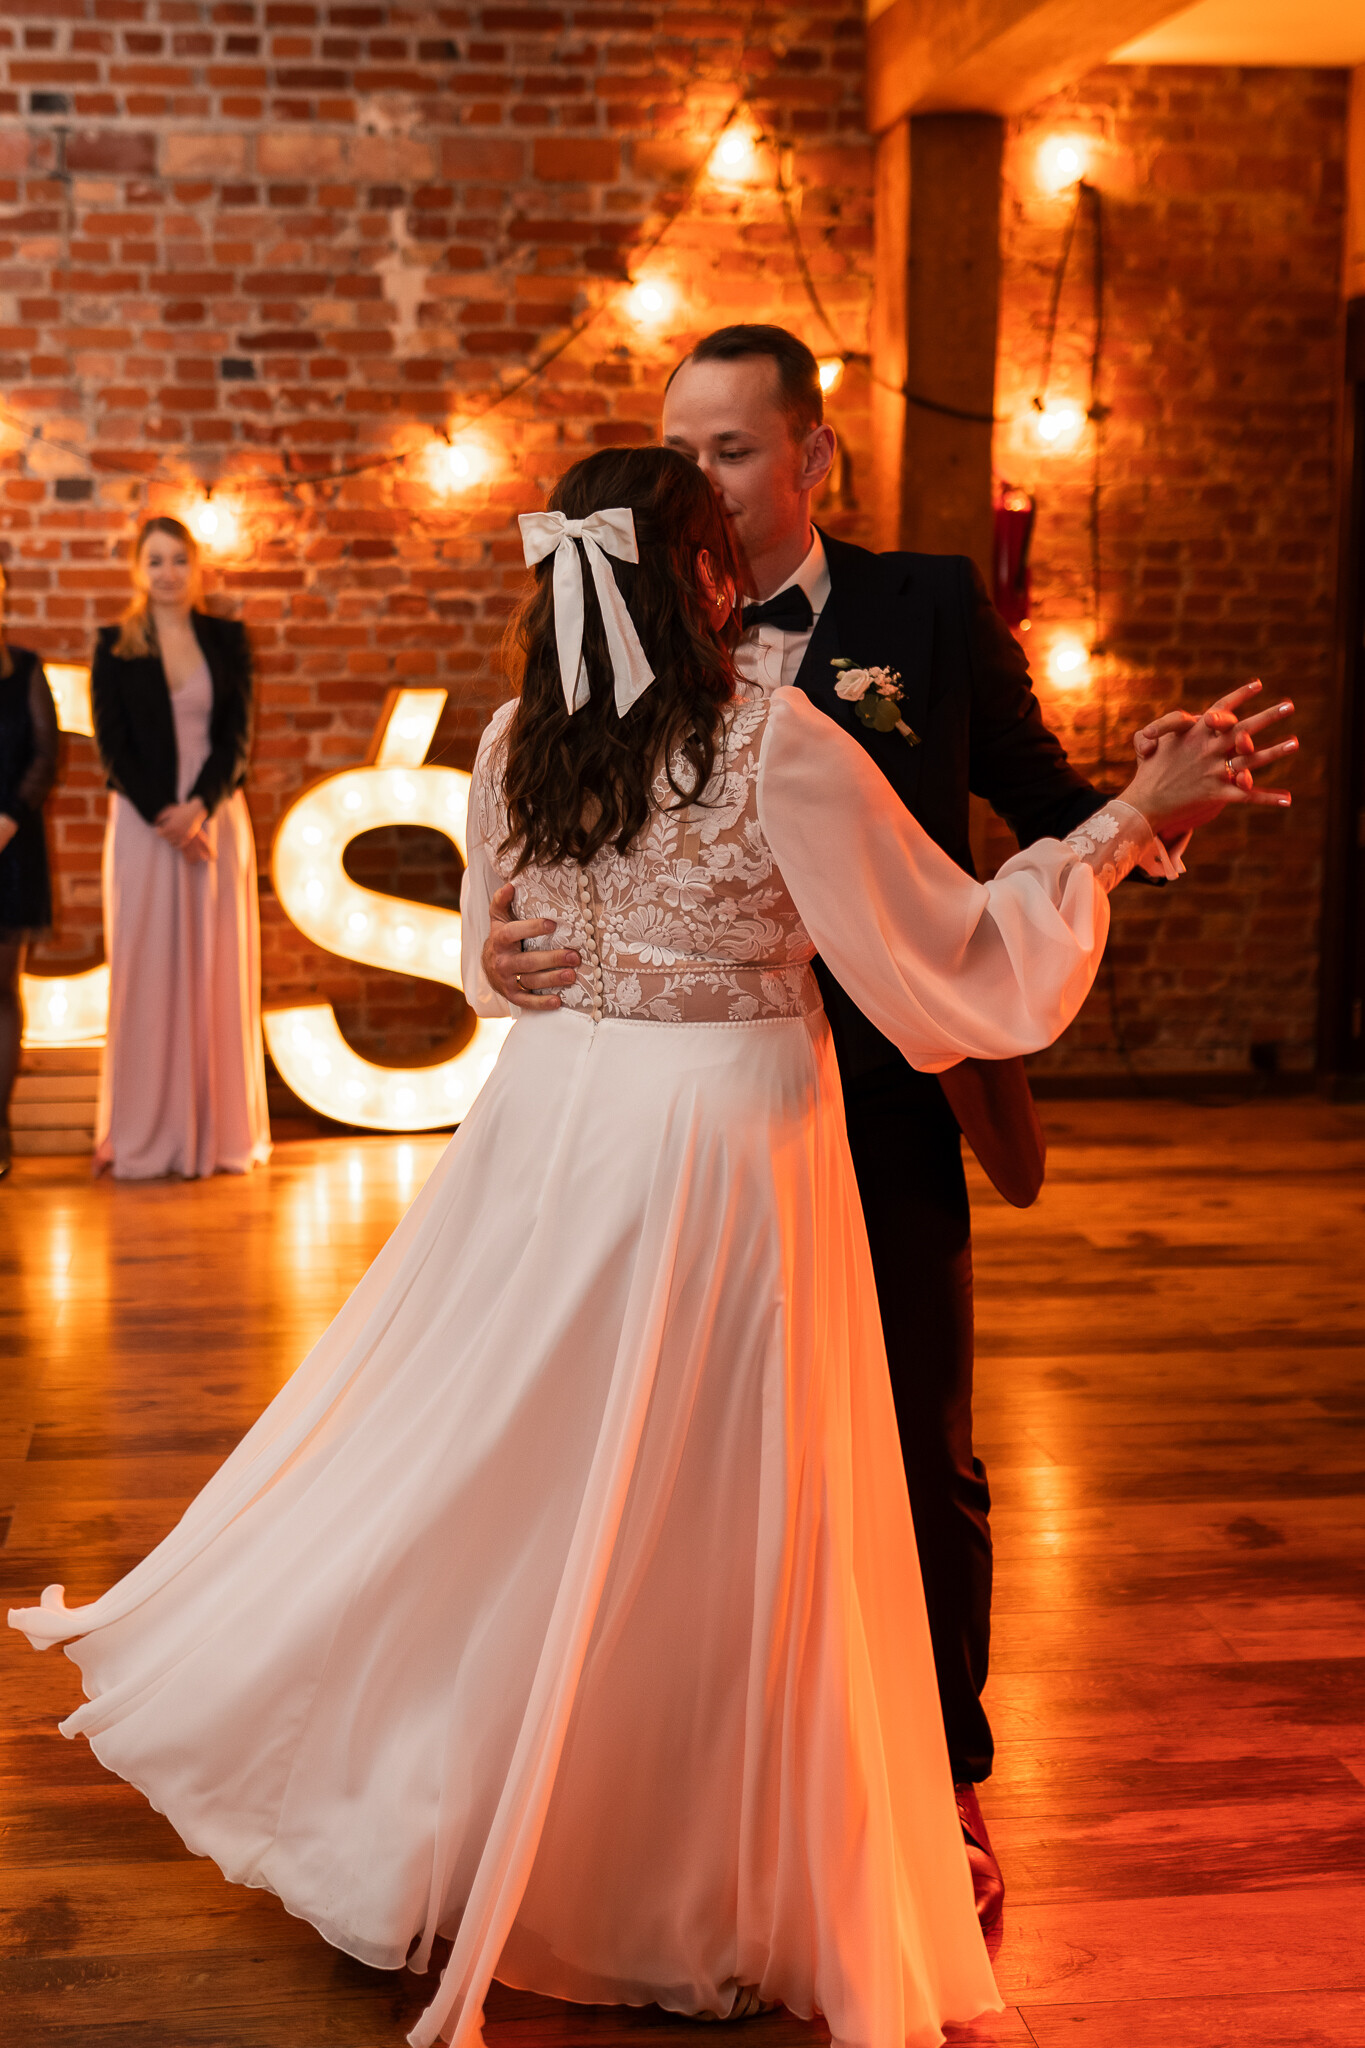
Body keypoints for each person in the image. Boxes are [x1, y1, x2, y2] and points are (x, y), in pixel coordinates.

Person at [11, 448, 1293, 2048]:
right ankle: (690, 1872)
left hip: (552, 1129)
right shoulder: (775, 739)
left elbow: (489, 965)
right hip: (724, 1143)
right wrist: (1130, 823)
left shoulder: (514, 740)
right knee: (714, 1497)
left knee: (529, 1471)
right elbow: (955, 953)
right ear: (698, 580)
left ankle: (487, 1812)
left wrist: (520, 964)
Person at [479, 327, 1297, 1921]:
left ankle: (941, 1772)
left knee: (918, 1449)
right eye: (680, 453)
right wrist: (506, 961)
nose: (704, 482)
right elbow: (533, 896)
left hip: (884, 1082)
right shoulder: (591, 695)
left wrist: (1145, 809)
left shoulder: (921, 605)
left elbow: (1035, 805)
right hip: (692, 1114)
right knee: (683, 1451)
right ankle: (684, 1774)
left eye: (729, 451)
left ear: (810, 459)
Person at [89, 515, 270, 1180]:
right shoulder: (114, 645)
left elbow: (237, 739)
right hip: (144, 827)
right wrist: (168, 820)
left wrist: (198, 810)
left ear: (196, 568)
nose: (168, 573)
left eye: (178, 560)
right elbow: (113, 748)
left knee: (216, 970)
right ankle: (146, 1133)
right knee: (147, 972)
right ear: (138, 570)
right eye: (155, 561)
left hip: (215, 818)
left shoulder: (227, 639)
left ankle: (219, 1136)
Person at [0, 566, 59, 1181]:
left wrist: (9, 817)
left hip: (11, 851)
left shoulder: (25, 670)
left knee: (2, 993)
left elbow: (46, 754)